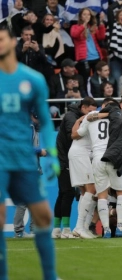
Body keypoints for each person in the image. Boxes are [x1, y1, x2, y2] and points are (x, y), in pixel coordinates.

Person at [0, 23, 60, 280]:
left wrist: (53, 155)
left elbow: (45, 121)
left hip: (24, 159)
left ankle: (50, 276)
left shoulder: (33, 79)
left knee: (44, 216)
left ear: (13, 42)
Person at [75, 99, 122, 238]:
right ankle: (120, 227)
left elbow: (79, 133)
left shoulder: (92, 116)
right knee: (121, 193)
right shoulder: (120, 118)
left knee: (102, 195)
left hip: (97, 158)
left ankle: (106, 230)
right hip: (114, 156)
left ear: (103, 106)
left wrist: (81, 120)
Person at [52, 97, 97, 239]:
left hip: (65, 158)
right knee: (68, 193)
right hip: (64, 159)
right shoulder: (72, 117)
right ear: (83, 107)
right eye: (89, 111)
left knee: (64, 193)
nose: (91, 114)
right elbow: (74, 135)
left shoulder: (74, 115)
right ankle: (65, 229)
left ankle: (56, 229)